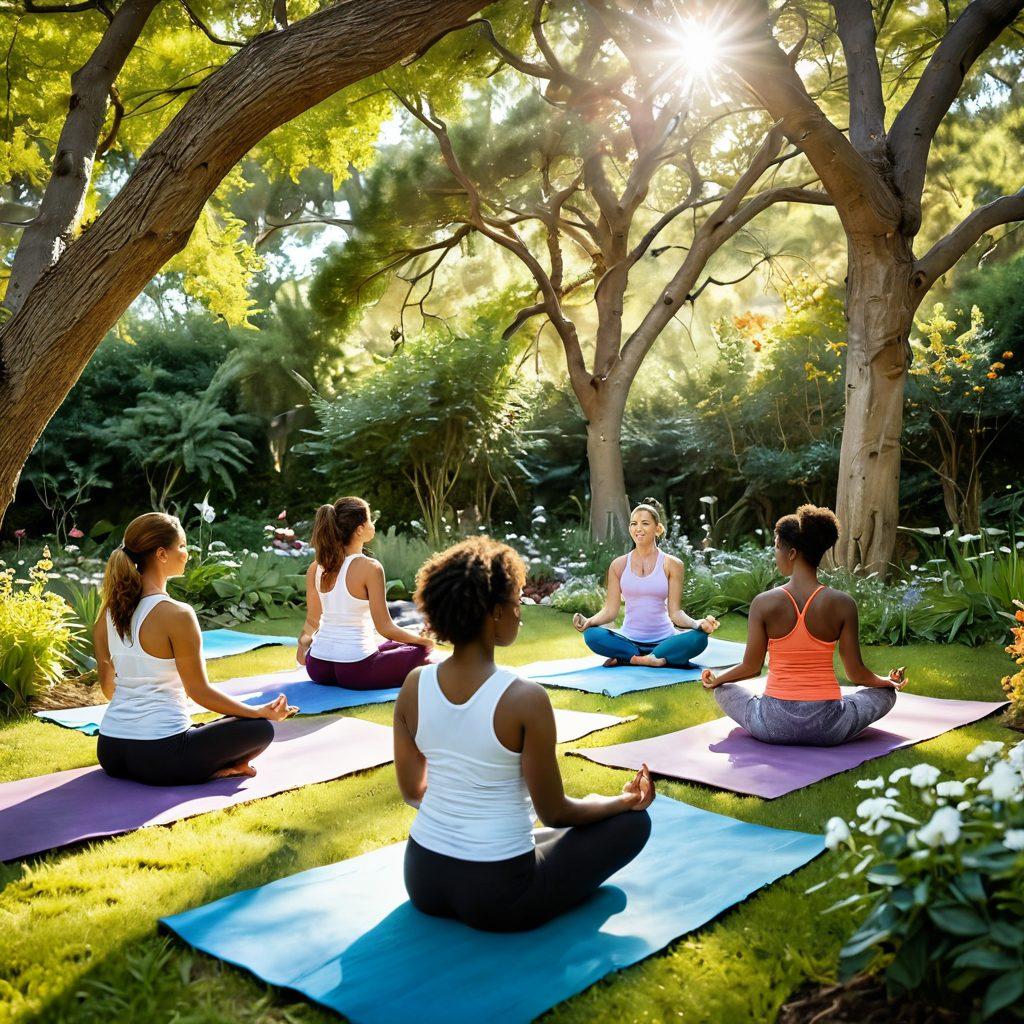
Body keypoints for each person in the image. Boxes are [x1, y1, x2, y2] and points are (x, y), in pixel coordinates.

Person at [394, 536, 654, 933]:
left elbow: (413, 791)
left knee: (563, 829)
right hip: (499, 894)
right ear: (496, 612)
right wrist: (623, 802)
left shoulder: (414, 684)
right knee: (633, 824)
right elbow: (555, 813)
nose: (520, 612)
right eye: (517, 601)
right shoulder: (524, 698)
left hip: (423, 876)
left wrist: (465, 819)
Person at [94, 513, 295, 786]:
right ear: (161, 554)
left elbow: (109, 690)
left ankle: (208, 760)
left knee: (217, 726)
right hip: (161, 758)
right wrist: (259, 711)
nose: (187, 553)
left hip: (111, 749)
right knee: (260, 729)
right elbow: (199, 692)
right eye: (182, 546)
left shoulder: (108, 614)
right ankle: (214, 769)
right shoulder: (177, 614)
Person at [701, 504, 906, 746]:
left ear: (792, 553)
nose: (775, 554)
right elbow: (855, 673)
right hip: (829, 727)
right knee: (885, 693)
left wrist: (717, 680)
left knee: (723, 689)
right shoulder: (843, 604)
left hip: (772, 725)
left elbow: (751, 667)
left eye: (777, 547)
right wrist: (885, 682)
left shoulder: (763, 603)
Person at [297, 497, 433, 689]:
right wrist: (423, 641)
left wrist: (301, 647)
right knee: (420, 651)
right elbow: (385, 627)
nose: (373, 525)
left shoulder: (316, 567)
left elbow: (312, 620)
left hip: (318, 666)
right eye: (370, 520)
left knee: (391, 644)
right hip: (356, 669)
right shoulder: (371, 567)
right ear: (359, 530)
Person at [573, 498, 719, 667]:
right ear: (630, 529)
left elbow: (676, 613)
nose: (638, 529)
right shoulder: (618, 565)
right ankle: (645, 659)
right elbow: (610, 611)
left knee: (699, 638)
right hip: (628, 640)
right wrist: (589, 621)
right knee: (592, 635)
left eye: (645, 523)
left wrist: (697, 624)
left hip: (664, 640)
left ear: (658, 529)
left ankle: (628, 658)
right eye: (634, 524)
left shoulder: (673, 564)